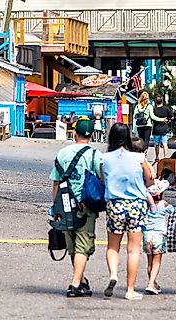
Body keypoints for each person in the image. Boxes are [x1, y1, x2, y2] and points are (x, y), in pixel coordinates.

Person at [49, 119, 102, 298]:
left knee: (72, 245)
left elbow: (56, 182)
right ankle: (74, 284)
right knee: (83, 246)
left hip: (64, 204)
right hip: (85, 204)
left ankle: (80, 280)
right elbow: (101, 179)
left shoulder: (62, 153)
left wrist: (55, 207)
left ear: (74, 133)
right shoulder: (95, 155)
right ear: (91, 135)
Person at [101, 123, 154, 300]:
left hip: (115, 205)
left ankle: (113, 274)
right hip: (136, 205)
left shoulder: (105, 158)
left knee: (113, 246)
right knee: (133, 250)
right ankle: (130, 290)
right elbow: (150, 179)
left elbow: (103, 179)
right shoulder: (139, 158)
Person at [142, 179, 174, 295]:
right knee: (157, 261)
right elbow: (172, 210)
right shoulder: (163, 204)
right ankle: (151, 284)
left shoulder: (145, 205)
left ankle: (153, 282)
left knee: (149, 261)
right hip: (159, 235)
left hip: (147, 234)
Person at [151, 95, 173, 162]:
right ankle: (165, 156)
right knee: (164, 143)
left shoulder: (154, 110)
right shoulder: (166, 109)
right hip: (164, 129)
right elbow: (171, 117)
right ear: (162, 101)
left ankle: (157, 157)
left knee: (156, 144)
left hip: (156, 129)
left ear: (155, 102)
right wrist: (168, 121)